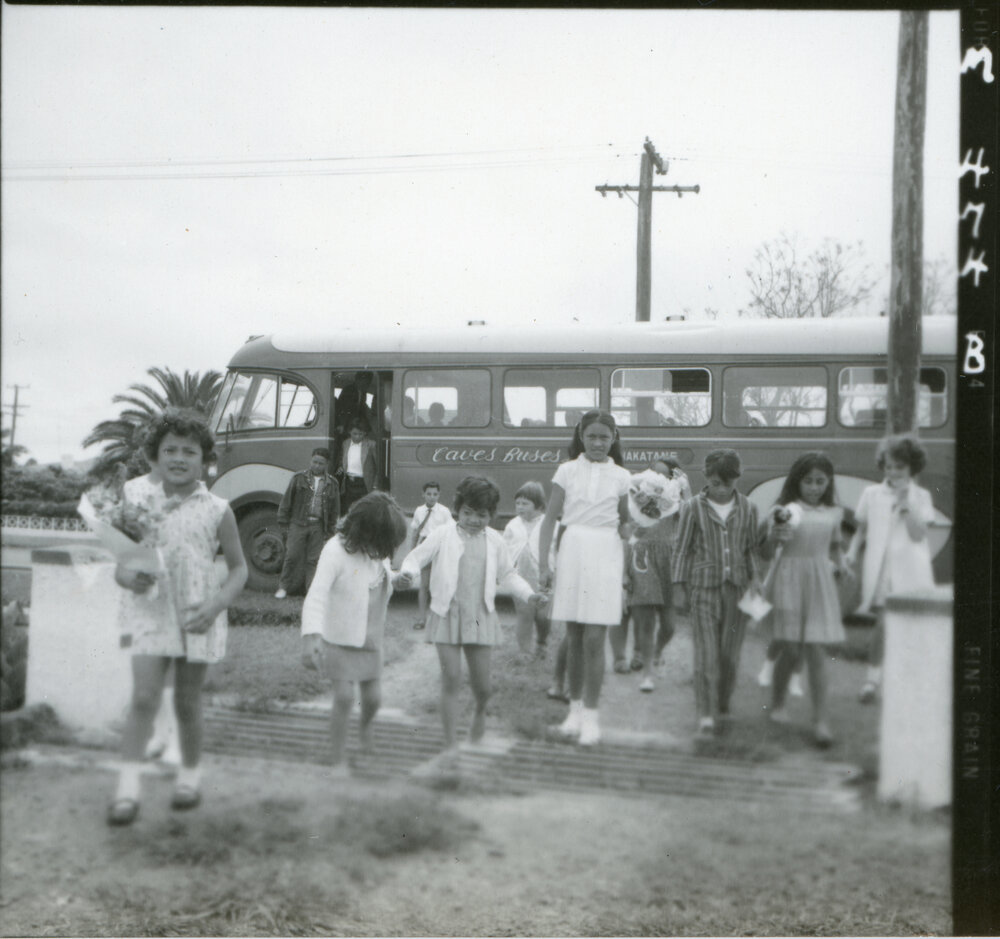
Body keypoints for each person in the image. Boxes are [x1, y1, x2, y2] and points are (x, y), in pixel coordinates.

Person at [107, 409, 248, 825]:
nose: (179, 458)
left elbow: (240, 569)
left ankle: (189, 777)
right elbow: (121, 563)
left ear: (206, 459)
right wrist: (128, 576)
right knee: (145, 697)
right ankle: (127, 789)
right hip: (149, 610)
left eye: (190, 451)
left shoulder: (218, 509)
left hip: (197, 614)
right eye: (170, 449)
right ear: (154, 456)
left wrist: (215, 605)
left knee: (187, 702)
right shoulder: (135, 499)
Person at [397, 476, 538, 758]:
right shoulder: (443, 534)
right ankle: (450, 744)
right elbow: (415, 557)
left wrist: (529, 594)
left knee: (483, 687)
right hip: (446, 614)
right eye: (468, 513)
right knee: (451, 678)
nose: (474, 519)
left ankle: (479, 714)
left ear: (491, 514)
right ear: (457, 510)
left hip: (479, 617)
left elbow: (508, 575)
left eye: (482, 515)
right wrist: (407, 573)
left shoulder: (495, 540)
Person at [537, 410, 632, 747]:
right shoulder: (566, 470)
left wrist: (642, 519)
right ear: (581, 436)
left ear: (614, 439)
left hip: (605, 551)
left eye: (604, 437)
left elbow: (625, 523)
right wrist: (543, 564)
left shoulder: (622, 476)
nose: (596, 443)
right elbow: (550, 519)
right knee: (574, 636)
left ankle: (591, 717)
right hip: (573, 548)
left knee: (595, 638)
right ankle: (574, 713)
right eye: (591, 436)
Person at [300, 492, 410, 776]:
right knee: (345, 698)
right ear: (364, 532)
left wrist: (398, 579)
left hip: (371, 637)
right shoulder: (335, 550)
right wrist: (311, 636)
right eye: (380, 544)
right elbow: (316, 595)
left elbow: (379, 576)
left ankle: (364, 730)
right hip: (339, 637)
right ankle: (337, 759)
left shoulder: (376, 551)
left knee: (373, 699)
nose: (382, 552)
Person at [671, 448, 764, 738]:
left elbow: (750, 549)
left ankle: (722, 703)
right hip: (704, 588)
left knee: (730, 656)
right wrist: (678, 587)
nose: (722, 490)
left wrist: (756, 580)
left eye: (728, 483)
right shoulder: (692, 508)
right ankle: (706, 713)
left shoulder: (748, 507)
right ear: (706, 478)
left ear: (738, 479)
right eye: (716, 483)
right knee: (706, 654)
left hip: (737, 588)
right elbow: (682, 550)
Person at [760, 452, 851, 747]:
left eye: (820, 482)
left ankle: (821, 721)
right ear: (797, 482)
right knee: (791, 650)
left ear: (828, 482)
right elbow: (765, 550)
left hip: (819, 581)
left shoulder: (834, 513)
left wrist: (842, 563)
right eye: (808, 481)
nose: (814, 487)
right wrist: (776, 535)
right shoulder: (785, 510)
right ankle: (777, 704)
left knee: (816, 652)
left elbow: (836, 545)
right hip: (788, 578)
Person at [844, 434, 935, 704]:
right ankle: (872, 682)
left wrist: (907, 505)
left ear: (912, 468)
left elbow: (918, 535)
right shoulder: (871, 494)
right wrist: (850, 552)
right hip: (882, 571)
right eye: (889, 466)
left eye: (900, 467)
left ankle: (912, 684)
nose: (893, 472)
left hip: (911, 570)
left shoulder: (922, 496)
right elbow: (861, 529)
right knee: (883, 626)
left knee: (912, 627)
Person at [609, 457, 692, 677]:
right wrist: (623, 569)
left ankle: (655, 650)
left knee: (669, 624)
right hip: (640, 557)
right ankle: (635, 654)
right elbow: (626, 533)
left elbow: (691, 520)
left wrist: (685, 490)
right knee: (638, 611)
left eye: (665, 475)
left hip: (668, 562)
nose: (659, 479)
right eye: (654, 473)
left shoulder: (676, 504)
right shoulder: (637, 500)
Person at [274, 448, 339, 599]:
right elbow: (286, 501)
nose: (316, 466)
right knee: (291, 556)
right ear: (311, 461)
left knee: (314, 560)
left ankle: (311, 590)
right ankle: (283, 587)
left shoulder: (332, 484)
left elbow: (335, 510)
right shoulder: (299, 478)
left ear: (326, 464)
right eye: (314, 462)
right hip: (298, 523)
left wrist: (330, 530)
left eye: (321, 463)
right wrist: (284, 523)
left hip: (318, 526)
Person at [502, 481, 554, 657]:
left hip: (544, 576)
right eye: (517, 503)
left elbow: (557, 549)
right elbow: (506, 549)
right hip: (520, 575)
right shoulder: (513, 525)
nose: (520, 507)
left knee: (543, 616)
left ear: (538, 505)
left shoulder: (550, 524)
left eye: (525, 503)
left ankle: (542, 641)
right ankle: (525, 651)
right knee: (524, 614)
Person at [409, 480, 455, 630]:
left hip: (440, 547)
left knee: (441, 583)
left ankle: (441, 619)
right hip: (425, 546)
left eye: (435, 494)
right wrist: (412, 552)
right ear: (423, 494)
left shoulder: (444, 511)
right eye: (428, 494)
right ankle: (422, 619)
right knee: (424, 584)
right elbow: (415, 531)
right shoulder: (419, 511)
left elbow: (451, 532)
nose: (432, 497)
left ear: (439, 495)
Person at [339, 420, 378, 514]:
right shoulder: (345, 443)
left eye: (360, 434)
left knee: (364, 510)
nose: (357, 436)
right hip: (349, 482)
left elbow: (377, 466)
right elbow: (342, 458)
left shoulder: (371, 444)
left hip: (364, 483)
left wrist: (375, 485)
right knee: (349, 509)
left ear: (364, 433)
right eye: (354, 434)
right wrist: (341, 467)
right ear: (349, 432)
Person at [334, 371, 375, 439]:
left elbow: (361, 409)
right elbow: (343, 408)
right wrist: (342, 424)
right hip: (345, 424)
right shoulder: (349, 390)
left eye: (368, 382)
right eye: (365, 381)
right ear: (357, 379)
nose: (367, 384)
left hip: (354, 424)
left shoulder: (363, 393)